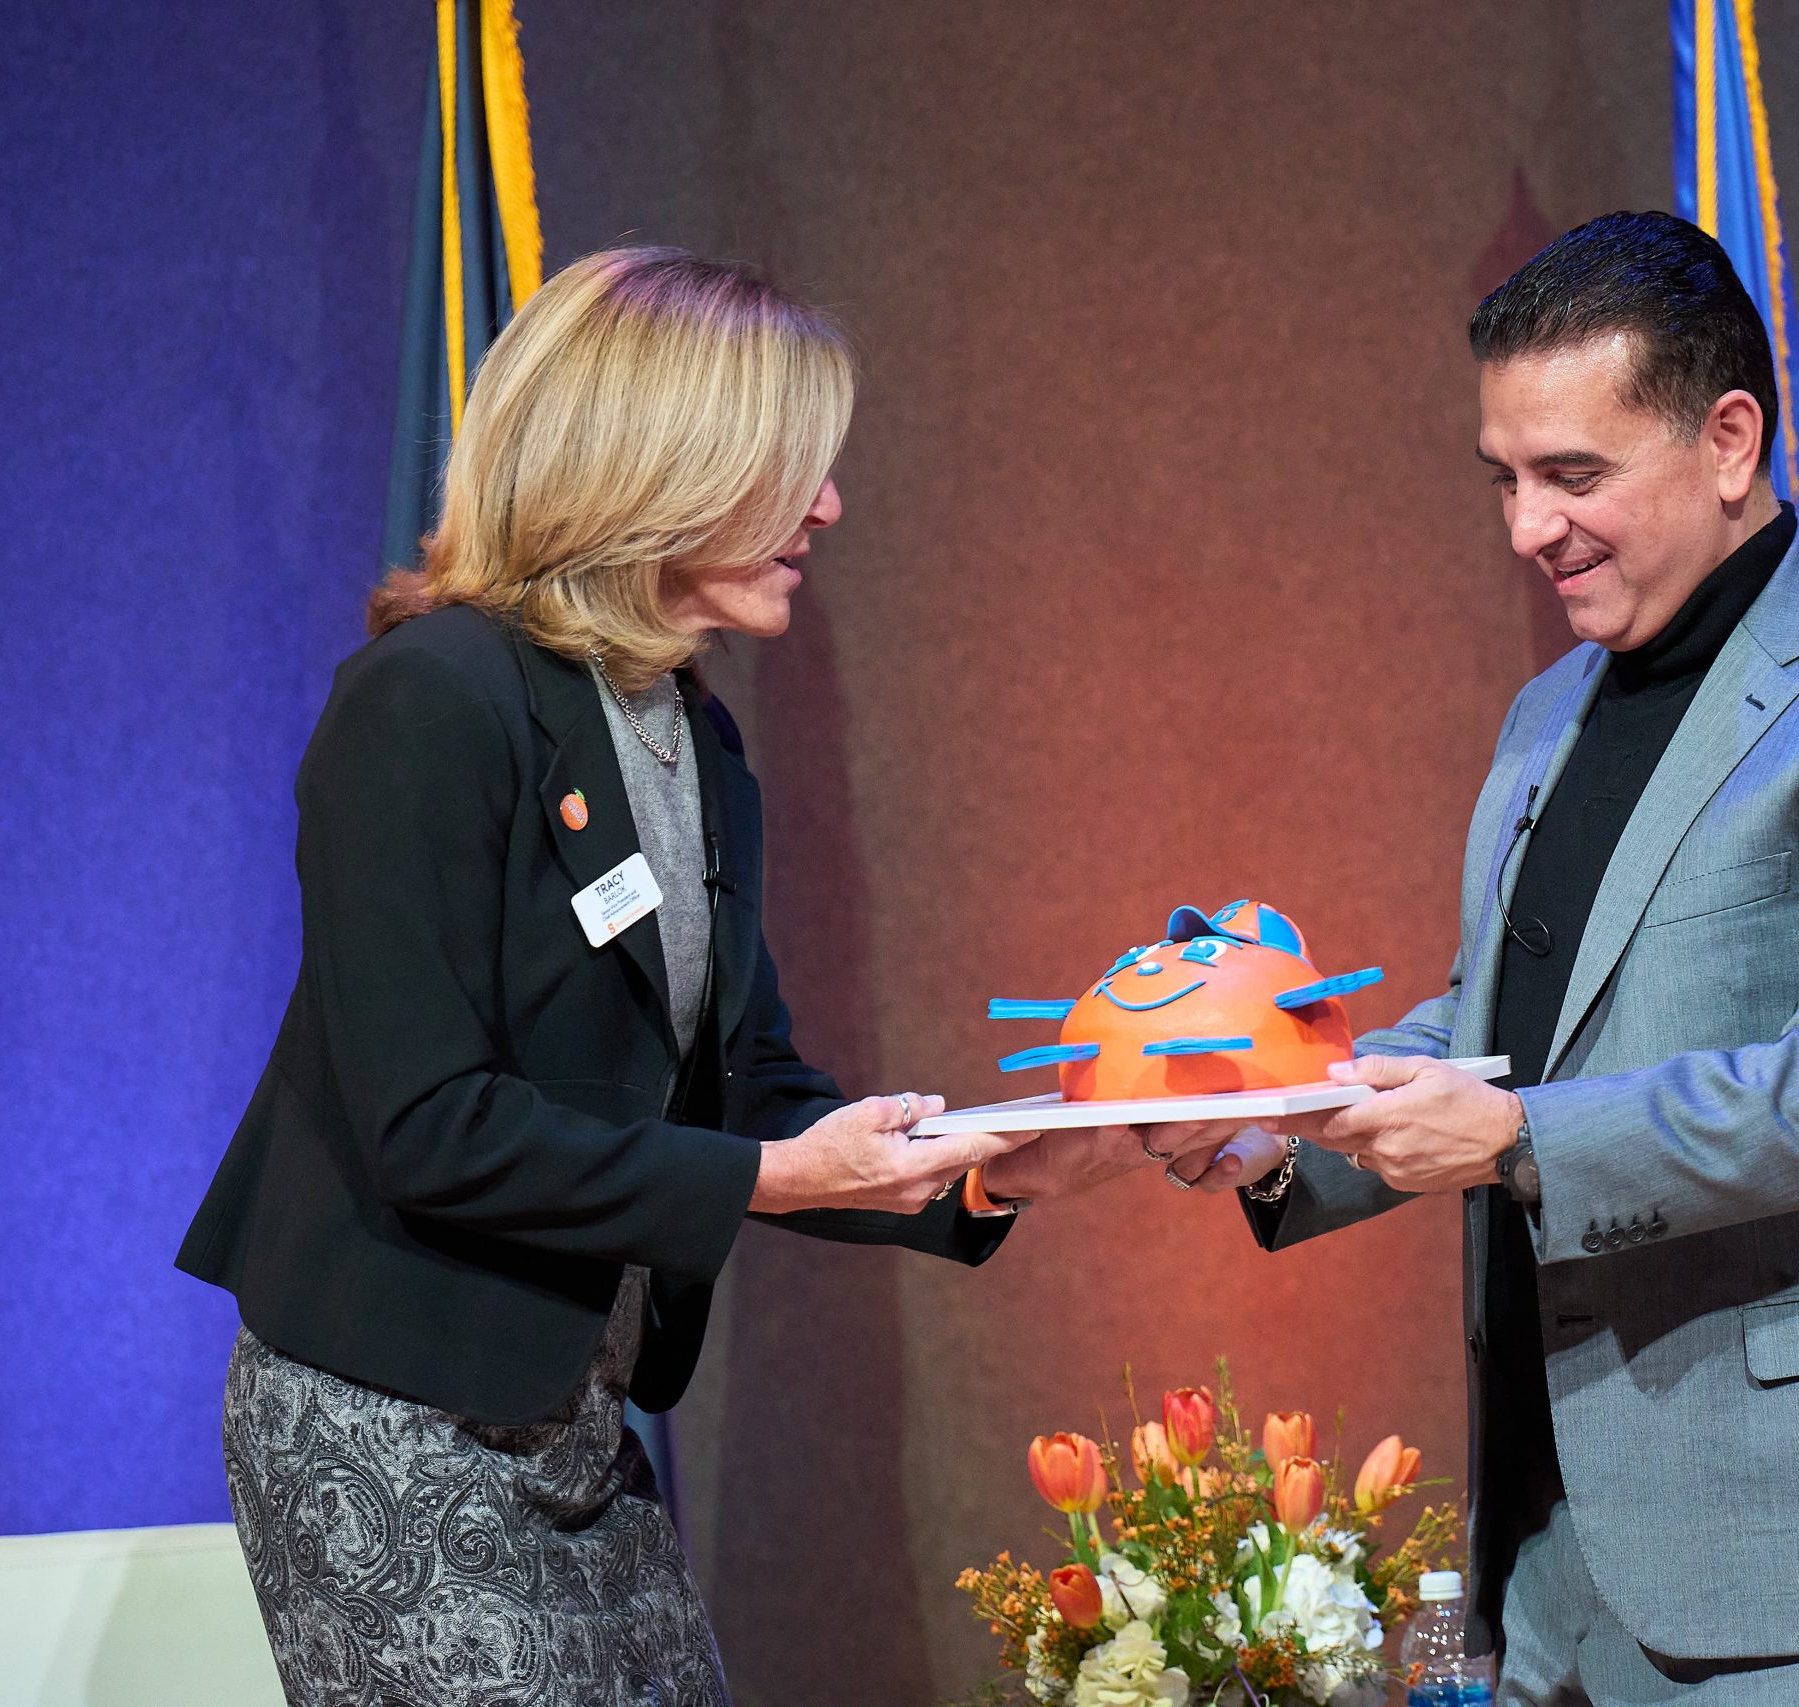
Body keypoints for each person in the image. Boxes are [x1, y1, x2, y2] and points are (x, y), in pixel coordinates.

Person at [175, 247, 1212, 1707]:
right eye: (795, 466)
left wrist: (981, 1169)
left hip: (570, 1418)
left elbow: (752, 1084)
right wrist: (781, 1182)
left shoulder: (689, 734)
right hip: (393, 1406)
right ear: (657, 465)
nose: (831, 506)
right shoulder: (430, 702)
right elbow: (431, 1127)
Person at [1180, 212, 1799, 1706]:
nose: (1528, 527)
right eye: (1508, 479)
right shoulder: (1551, 710)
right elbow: (1507, 1025)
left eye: (1573, 476)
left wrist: (1520, 1139)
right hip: (1552, 1546)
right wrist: (1278, 1119)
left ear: (1731, 440)